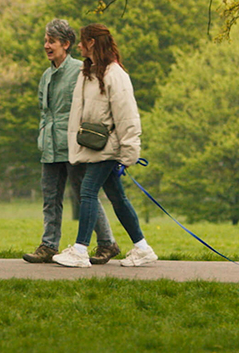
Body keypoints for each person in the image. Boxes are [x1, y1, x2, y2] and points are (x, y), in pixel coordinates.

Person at [53, 23, 156, 268]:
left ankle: (79, 250)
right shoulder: (89, 73)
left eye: (82, 41)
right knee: (117, 197)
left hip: (108, 148)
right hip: (95, 146)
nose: (78, 45)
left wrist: (128, 154)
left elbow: (127, 116)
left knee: (87, 191)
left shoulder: (115, 74)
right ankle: (142, 248)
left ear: (93, 43)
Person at [22, 19, 120, 264]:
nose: (46, 45)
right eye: (45, 40)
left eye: (51, 41)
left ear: (65, 44)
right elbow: (45, 112)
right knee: (50, 198)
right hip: (49, 146)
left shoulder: (81, 70)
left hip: (74, 145)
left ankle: (107, 243)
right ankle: (48, 245)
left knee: (84, 195)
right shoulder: (46, 75)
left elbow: (94, 104)